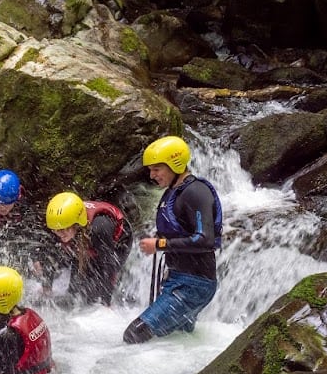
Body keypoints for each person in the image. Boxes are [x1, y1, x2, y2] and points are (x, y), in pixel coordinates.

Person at [124, 135, 223, 344]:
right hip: (180, 279)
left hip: (194, 284)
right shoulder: (174, 191)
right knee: (177, 340)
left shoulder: (196, 192)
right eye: (150, 169)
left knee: (134, 335)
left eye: (157, 169)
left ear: (174, 164)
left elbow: (205, 239)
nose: (152, 175)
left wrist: (160, 245)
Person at [37, 192, 133, 306]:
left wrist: (106, 303)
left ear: (77, 224)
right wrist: (46, 287)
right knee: (74, 290)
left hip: (118, 242)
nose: (59, 234)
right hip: (85, 239)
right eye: (56, 230)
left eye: (63, 229)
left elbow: (109, 267)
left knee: (94, 289)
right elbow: (49, 257)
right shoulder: (57, 225)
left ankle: (122, 297)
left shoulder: (99, 228)